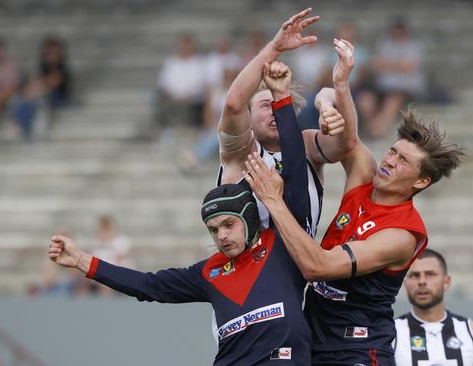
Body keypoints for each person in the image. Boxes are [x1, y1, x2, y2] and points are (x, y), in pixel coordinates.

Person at [48, 62, 313, 365]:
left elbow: (294, 167)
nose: (222, 235)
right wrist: (82, 261)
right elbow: (148, 286)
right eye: (214, 230)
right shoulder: (208, 272)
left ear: (250, 221)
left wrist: (280, 98)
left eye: (228, 224)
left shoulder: (283, 245)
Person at [244, 39, 465, 365]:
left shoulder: (402, 234)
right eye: (392, 150)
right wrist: (334, 92)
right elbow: (348, 139)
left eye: (403, 160)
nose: (389, 160)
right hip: (313, 341)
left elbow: (316, 267)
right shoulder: (365, 176)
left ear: (421, 181)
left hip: (358, 350)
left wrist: (273, 201)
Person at [218, 8, 357, 237]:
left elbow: (348, 142)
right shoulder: (242, 151)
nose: (275, 111)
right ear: (248, 116)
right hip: (250, 270)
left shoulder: (308, 145)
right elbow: (233, 105)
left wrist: (335, 91)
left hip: (302, 267)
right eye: (265, 105)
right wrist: (274, 49)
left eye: (279, 105)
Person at [394, 249, 473, 366]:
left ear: (446, 282)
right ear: (405, 283)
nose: (422, 281)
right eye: (414, 275)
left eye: (430, 274)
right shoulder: (390, 333)